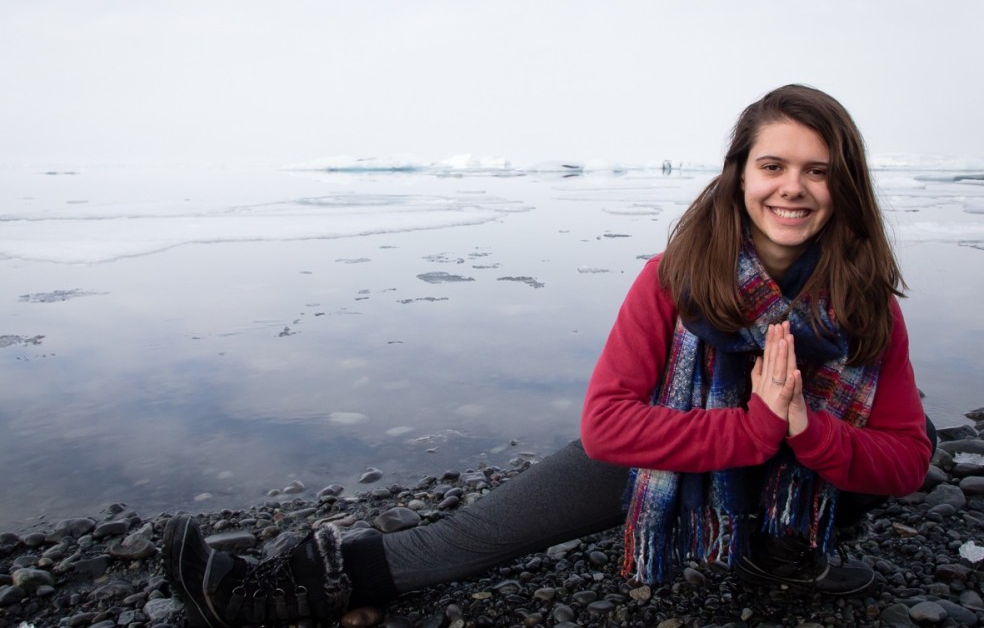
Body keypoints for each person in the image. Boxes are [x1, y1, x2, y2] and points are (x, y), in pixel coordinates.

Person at [163, 85, 934, 627]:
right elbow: (608, 426)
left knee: (880, 445)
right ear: (740, 174)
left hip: (800, 457)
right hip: (673, 448)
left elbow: (907, 457)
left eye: (817, 170)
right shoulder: (675, 280)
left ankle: (775, 546)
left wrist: (803, 427)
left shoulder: (866, 304)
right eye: (774, 166)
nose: (793, 188)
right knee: (472, 535)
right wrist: (756, 428)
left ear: (842, 184)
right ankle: (264, 593)